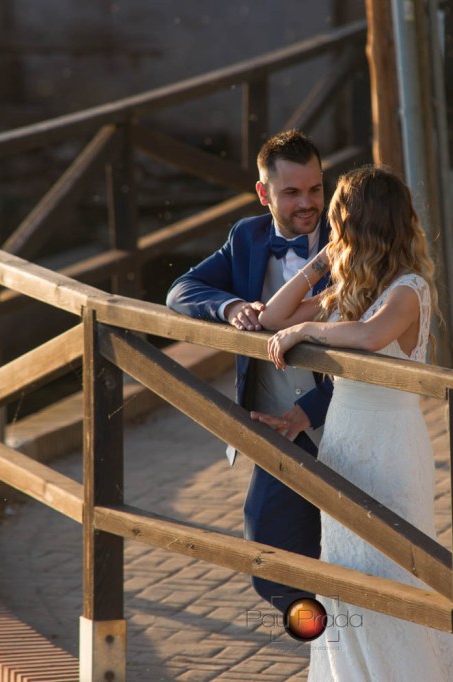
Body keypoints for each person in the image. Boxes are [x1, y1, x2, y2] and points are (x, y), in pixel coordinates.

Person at [260, 166, 453, 681]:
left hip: (390, 447)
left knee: (395, 569)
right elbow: (271, 318)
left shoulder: (409, 288)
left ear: (358, 224)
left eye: (337, 222)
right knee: (346, 572)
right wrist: (320, 263)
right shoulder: (349, 289)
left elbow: (370, 336)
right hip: (344, 441)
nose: (331, 229)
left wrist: (309, 330)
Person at [165, 129, 333, 614]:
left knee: (356, 552)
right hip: (276, 425)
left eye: (315, 189)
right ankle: (322, 634)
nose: (308, 203)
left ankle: (342, 641)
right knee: (268, 549)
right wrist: (231, 306)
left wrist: (311, 410)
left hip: (341, 416)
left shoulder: (347, 237)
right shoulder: (247, 236)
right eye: (292, 192)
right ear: (263, 193)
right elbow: (181, 290)